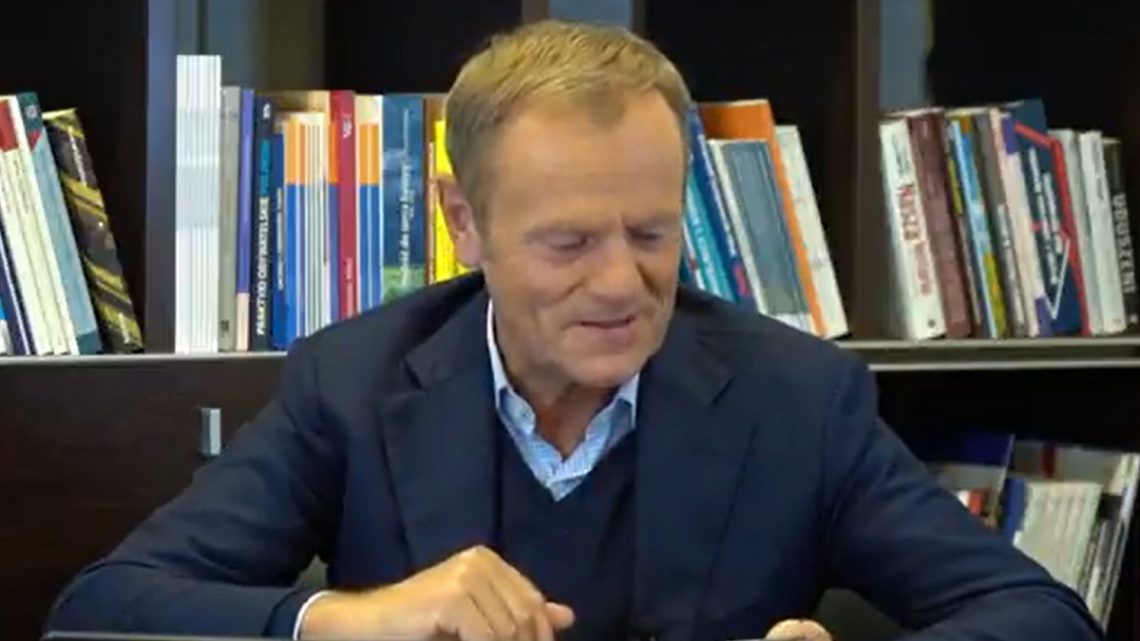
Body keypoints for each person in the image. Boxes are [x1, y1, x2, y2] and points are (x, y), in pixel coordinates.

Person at [47, 19, 1102, 641]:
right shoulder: (355, 382)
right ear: (466, 223)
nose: (620, 282)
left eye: (651, 232)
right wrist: (353, 618)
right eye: (567, 242)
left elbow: (1041, 615)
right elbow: (100, 610)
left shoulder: (797, 397)